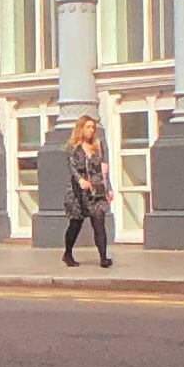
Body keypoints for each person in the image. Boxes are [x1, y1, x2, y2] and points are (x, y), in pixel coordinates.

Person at [59, 113, 115, 269]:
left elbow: (103, 171)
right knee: (75, 224)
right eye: (88, 127)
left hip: (96, 190)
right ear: (81, 129)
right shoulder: (73, 147)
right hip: (78, 192)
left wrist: (108, 188)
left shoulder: (98, 146)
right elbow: (72, 168)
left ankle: (103, 258)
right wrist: (80, 180)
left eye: (93, 127)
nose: (91, 130)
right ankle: (68, 253)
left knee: (99, 223)